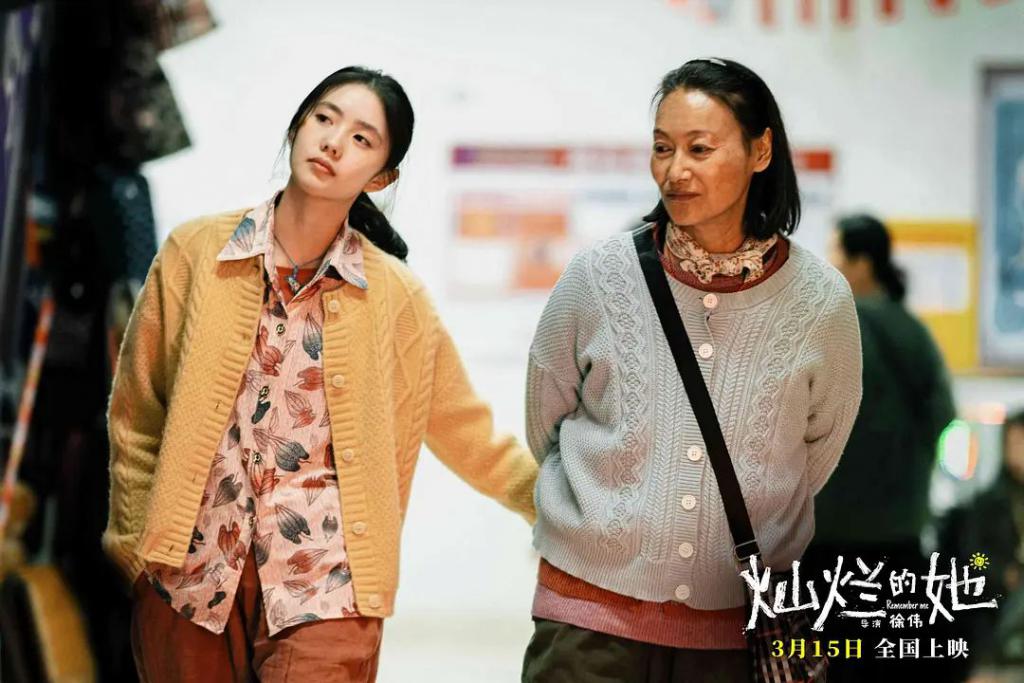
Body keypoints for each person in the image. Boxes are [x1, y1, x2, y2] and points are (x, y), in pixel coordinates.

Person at [103, 66, 538, 683]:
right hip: (187, 579)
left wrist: (560, 508)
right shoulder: (195, 253)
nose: (334, 142)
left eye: (362, 138)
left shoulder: (395, 298)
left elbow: (467, 430)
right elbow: (136, 411)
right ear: (296, 129)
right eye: (324, 119)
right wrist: (133, 546)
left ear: (381, 176)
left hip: (328, 587)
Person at [520, 58, 862, 682]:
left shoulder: (820, 302)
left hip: (738, 635)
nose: (675, 169)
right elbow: (546, 422)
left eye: (699, 149)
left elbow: (813, 456)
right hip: (587, 624)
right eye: (662, 148)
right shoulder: (597, 278)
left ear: (761, 151)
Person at [803, 213, 957, 681]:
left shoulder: (837, 330)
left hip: (832, 537)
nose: (828, 264)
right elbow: (943, 415)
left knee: (829, 663)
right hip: (900, 535)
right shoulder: (914, 331)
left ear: (862, 263)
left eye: (835, 253)